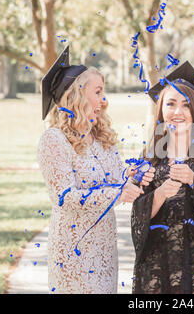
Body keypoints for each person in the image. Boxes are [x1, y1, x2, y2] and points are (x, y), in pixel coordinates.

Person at [37, 46, 154, 293]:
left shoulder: (101, 137)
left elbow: (115, 178)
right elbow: (64, 197)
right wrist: (117, 193)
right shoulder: (54, 140)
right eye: (98, 92)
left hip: (104, 246)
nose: (104, 100)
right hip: (73, 248)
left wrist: (132, 175)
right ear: (77, 95)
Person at [131, 61, 194, 294]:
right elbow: (137, 211)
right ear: (161, 110)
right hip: (159, 258)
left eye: (186, 106)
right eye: (170, 104)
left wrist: (193, 180)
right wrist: (159, 194)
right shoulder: (150, 154)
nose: (177, 112)